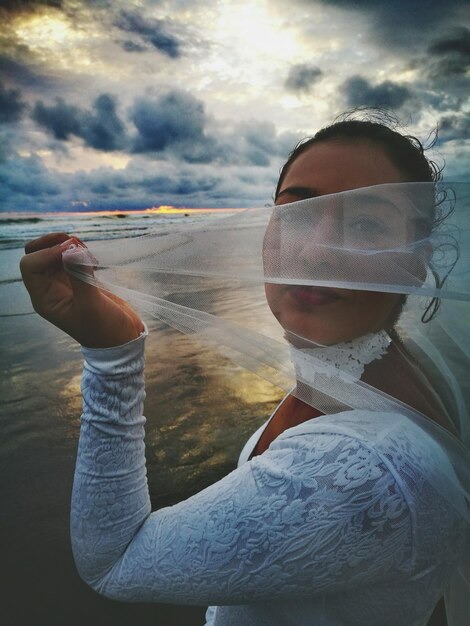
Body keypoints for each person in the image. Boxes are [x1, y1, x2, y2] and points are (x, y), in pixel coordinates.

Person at [20, 115, 469, 626]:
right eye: (297, 216)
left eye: (365, 224)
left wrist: (113, 352)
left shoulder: (363, 470)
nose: (315, 251)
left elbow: (113, 563)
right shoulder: (364, 373)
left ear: (414, 263)